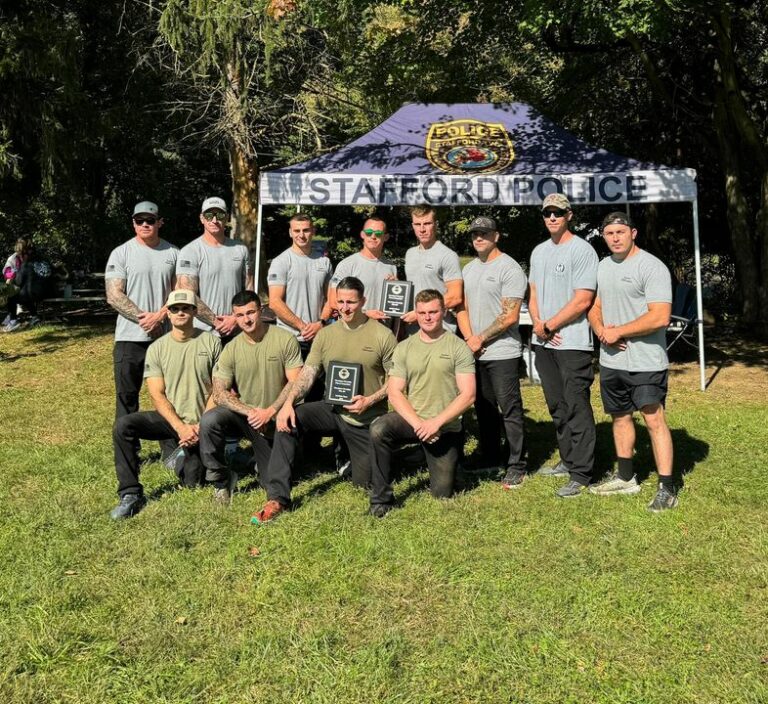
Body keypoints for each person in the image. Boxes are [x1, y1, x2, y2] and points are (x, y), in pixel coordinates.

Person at [252, 276, 397, 525]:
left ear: (363, 301)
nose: (345, 307)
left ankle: (388, 457)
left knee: (364, 483)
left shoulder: (382, 335)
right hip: (332, 409)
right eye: (340, 301)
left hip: (364, 418)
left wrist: (369, 400)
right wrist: (288, 404)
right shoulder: (326, 335)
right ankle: (277, 497)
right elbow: (308, 374)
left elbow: (395, 382)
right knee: (289, 419)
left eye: (351, 302)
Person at [587, 212, 677, 512]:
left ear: (633, 233)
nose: (615, 238)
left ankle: (667, 486)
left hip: (646, 361)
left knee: (654, 420)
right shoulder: (603, 266)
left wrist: (618, 331)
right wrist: (600, 329)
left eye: (620, 232)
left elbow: (660, 316)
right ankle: (626, 477)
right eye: (609, 233)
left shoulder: (652, 267)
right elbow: (594, 306)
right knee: (620, 416)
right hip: (612, 362)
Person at [109, 290, 222, 519]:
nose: (181, 312)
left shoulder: (212, 342)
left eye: (186, 308)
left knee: (192, 482)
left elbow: (219, 391)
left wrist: (201, 426)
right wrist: (181, 428)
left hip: (204, 422)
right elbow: (157, 395)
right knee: (123, 426)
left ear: (194, 311)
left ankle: (187, 457)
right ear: (168, 314)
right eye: (175, 309)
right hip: (173, 422)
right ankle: (130, 493)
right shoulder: (157, 348)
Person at [369, 289, 476, 517]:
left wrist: (436, 423)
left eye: (433, 312)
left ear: (444, 312)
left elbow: (468, 395)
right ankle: (381, 501)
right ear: (416, 314)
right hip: (414, 419)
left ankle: (432, 458)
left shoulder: (458, 347)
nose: (427, 317)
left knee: (442, 493)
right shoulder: (405, 347)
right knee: (379, 428)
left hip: (445, 427)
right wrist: (420, 424)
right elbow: (395, 392)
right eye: (422, 312)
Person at [199, 290, 303, 504]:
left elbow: (295, 382)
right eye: (240, 315)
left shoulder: (285, 339)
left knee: (272, 482)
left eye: (250, 313)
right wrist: (251, 412)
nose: (246, 319)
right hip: (250, 418)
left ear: (261, 311)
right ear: (234, 317)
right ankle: (221, 480)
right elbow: (219, 392)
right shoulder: (231, 348)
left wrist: (270, 411)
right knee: (210, 419)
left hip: (279, 418)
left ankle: (251, 461)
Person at [528, 193, 598, 498]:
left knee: (576, 405)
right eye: (547, 213)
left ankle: (582, 473)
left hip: (572, 343)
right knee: (557, 405)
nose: (552, 217)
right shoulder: (538, 251)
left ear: (569, 215)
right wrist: (538, 324)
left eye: (558, 212)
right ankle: (568, 460)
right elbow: (532, 294)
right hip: (543, 341)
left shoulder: (582, 250)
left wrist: (550, 324)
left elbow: (583, 299)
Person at [457, 216, 528, 488]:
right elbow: (459, 306)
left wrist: (480, 338)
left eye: (484, 234)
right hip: (475, 350)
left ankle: (517, 464)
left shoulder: (509, 268)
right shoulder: (468, 269)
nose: (478, 238)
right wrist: (469, 339)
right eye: (475, 233)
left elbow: (510, 316)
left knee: (509, 409)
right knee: (484, 407)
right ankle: (490, 456)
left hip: (502, 351)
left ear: (496, 236)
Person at [105, 201, 178, 418]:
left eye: (150, 220)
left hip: (166, 337)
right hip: (129, 338)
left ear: (159, 222)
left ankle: (172, 449)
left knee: (169, 395)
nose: (145, 224)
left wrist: (160, 316)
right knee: (127, 397)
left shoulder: (174, 253)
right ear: (133, 224)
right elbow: (114, 295)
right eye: (140, 220)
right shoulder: (121, 253)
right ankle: (127, 451)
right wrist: (145, 320)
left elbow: (181, 292)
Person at [176, 197, 253, 342]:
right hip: (202, 333)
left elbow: (249, 292)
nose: (214, 220)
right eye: (209, 215)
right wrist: (217, 323)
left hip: (237, 331)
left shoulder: (241, 250)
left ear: (227, 218)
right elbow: (188, 296)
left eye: (220, 215)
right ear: (202, 218)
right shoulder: (190, 251)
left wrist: (235, 319)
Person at [267, 213, 333, 359]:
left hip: (319, 337)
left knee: (318, 382)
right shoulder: (281, 262)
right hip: (290, 338)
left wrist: (320, 323)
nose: (301, 235)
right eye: (297, 231)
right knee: (292, 382)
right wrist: (303, 326)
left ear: (313, 231)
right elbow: (274, 302)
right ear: (290, 233)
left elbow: (331, 298)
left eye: (306, 230)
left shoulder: (324, 262)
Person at [402, 206, 463, 333]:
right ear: (413, 226)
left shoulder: (447, 255)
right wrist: (395, 285)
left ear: (435, 225)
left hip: (441, 330)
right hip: (413, 331)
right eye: (418, 224)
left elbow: (455, 296)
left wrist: (420, 314)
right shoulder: (410, 253)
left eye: (427, 223)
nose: (422, 229)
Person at [328, 216, 397, 321]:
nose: (373, 236)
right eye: (369, 232)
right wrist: (366, 313)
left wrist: (397, 290)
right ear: (362, 234)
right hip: (354, 330)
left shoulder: (391, 267)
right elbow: (333, 301)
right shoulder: (347, 265)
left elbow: (395, 304)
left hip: (382, 331)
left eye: (378, 233)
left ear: (386, 237)